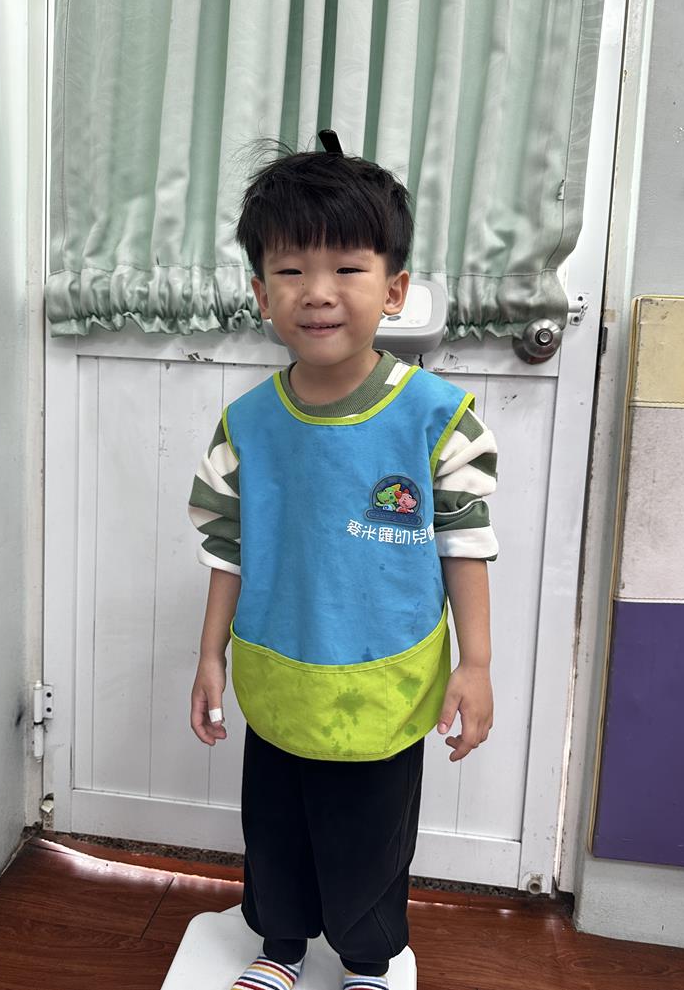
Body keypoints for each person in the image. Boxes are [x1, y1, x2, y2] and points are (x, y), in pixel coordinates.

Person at [188, 140, 499, 990]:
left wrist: (474, 663)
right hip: (278, 673)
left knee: (369, 839)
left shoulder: (437, 418)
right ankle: (280, 947)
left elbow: (465, 542)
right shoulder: (246, 424)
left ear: (393, 288)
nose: (317, 291)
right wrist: (209, 654)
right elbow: (226, 545)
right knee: (275, 829)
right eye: (290, 270)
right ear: (261, 293)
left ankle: (366, 962)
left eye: (347, 268)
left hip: (385, 678)